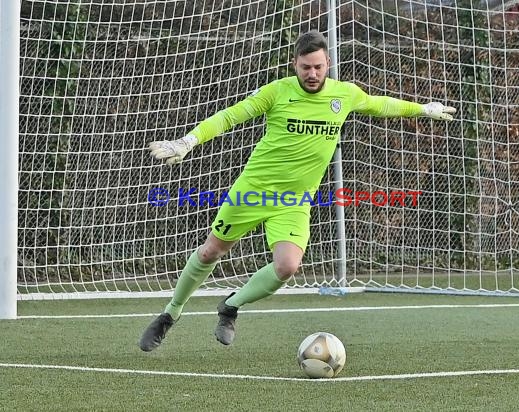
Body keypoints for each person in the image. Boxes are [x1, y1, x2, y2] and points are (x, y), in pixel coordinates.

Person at [138, 30, 455, 351]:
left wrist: (423, 110)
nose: (312, 73)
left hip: (294, 202)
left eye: (318, 66)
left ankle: (230, 306)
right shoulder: (277, 92)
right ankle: (170, 313)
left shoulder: (344, 95)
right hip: (254, 191)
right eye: (305, 67)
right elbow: (229, 117)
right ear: (295, 65)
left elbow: (380, 105)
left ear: (328, 63)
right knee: (210, 252)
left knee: (287, 266)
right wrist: (187, 142)